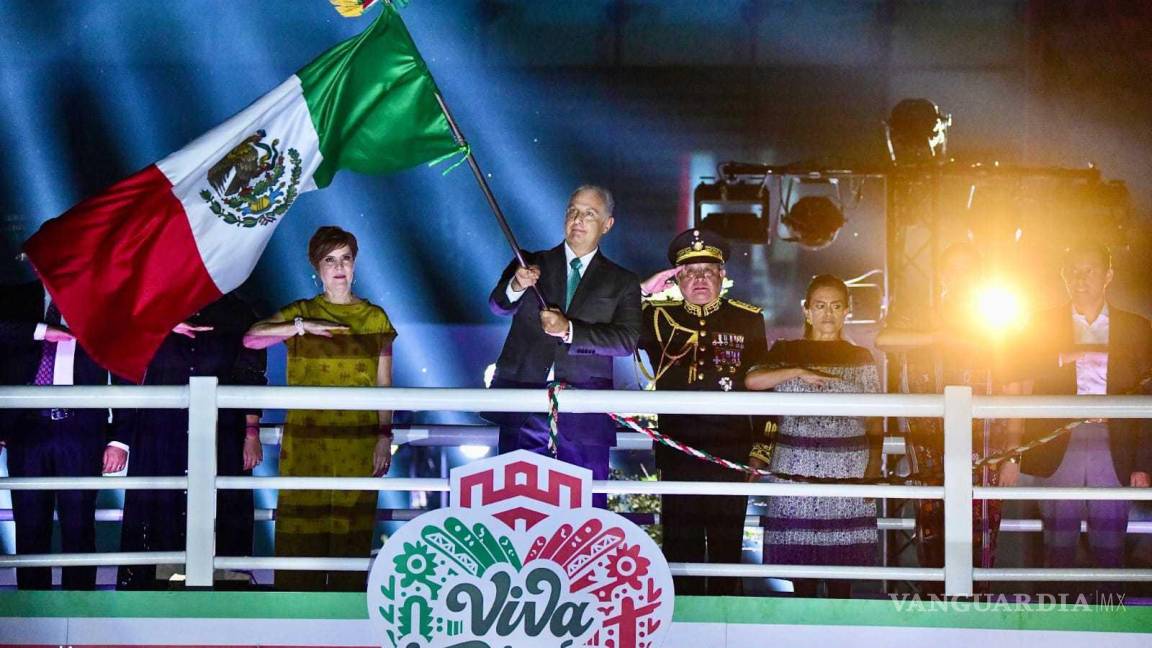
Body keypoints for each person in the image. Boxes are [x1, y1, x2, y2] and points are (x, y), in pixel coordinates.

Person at [244, 226, 396, 591]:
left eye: (345, 258)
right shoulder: (302, 311)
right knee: (300, 530)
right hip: (307, 440)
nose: (339, 266)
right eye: (330, 259)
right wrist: (301, 326)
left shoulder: (375, 318)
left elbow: (384, 385)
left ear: (355, 264)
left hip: (357, 441)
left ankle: (345, 627)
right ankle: (296, 624)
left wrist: (383, 436)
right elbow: (251, 339)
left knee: (351, 534)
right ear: (317, 267)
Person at [875, 242, 1026, 590]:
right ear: (942, 275)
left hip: (986, 449)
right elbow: (886, 340)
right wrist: (939, 336)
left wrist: (1014, 453)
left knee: (982, 536)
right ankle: (936, 618)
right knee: (931, 535)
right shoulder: (920, 315)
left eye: (968, 270)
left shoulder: (1000, 321)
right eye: (953, 269)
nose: (960, 278)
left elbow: (1017, 389)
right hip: (929, 451)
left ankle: (976, 622)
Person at [485, 185, 642, 505]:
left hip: (584, 413)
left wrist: (571, 330)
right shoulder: (529, 263)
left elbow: (625, 341)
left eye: (589, 214)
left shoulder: (622, 281)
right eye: (572, 211)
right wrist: (516, 284)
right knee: (516, 508)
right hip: (524, 405)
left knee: (583, 512)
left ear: (607, 224)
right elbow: (499, 305)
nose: (578, 220)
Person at [637, 228, 768, 595]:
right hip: (678, 450)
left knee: (727, 551)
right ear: (676, 278)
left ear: (722, 276)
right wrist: (645, 290)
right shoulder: (657, 317)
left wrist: (761, 449)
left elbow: (766, 388)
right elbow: (610, 316)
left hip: (730, 451)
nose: (699, 279)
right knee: (681, 551)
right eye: (690, 272)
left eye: (708, 271)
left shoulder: (748, 320)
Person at [116, 292, 267, 590]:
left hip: (221, 429)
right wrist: (161, 324)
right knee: (159, 503)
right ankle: (155, 587)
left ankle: (224, 588)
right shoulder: (151, 306)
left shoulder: (237, 311)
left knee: (223, 503)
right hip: (161, 429)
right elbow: (118, 340)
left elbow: (250, 371)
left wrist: (252, 430)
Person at [1020, 242, 1152, 582]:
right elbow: (1014, 368)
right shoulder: (1041, 324)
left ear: (1108, 275)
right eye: (1073, 270)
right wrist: (1061, 357)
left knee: (1110, 542)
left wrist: (1143, 462)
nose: (1080, 278)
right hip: (1060, 438)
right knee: (1057, 542)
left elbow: (1147, 396)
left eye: (1089, 270)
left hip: (1115, 440)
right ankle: (1055, 623)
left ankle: (1111, 622)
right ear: (1063, 275)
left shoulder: (1136, 327)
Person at [745, 274, 882, 598]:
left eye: (836, 306)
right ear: (806, 311)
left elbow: (876, 418)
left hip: (848, 469)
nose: (828, 314)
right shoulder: (786, 350)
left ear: (847, 311)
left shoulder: (861, 356)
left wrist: (873, 470)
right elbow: (753, 381)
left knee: (841, 578)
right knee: (800, 573)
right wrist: (797, 370)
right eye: (820, 306)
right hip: (794, 469)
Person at [0, 279, 130, 589]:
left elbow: (127, 367)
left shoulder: (103, 300)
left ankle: (81, 603)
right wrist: (43, 331)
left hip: (81, 428)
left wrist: (119, 439)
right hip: (26, 428)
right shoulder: (16, 297)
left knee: (79, 523)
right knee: (29, 525)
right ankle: (32, 606)